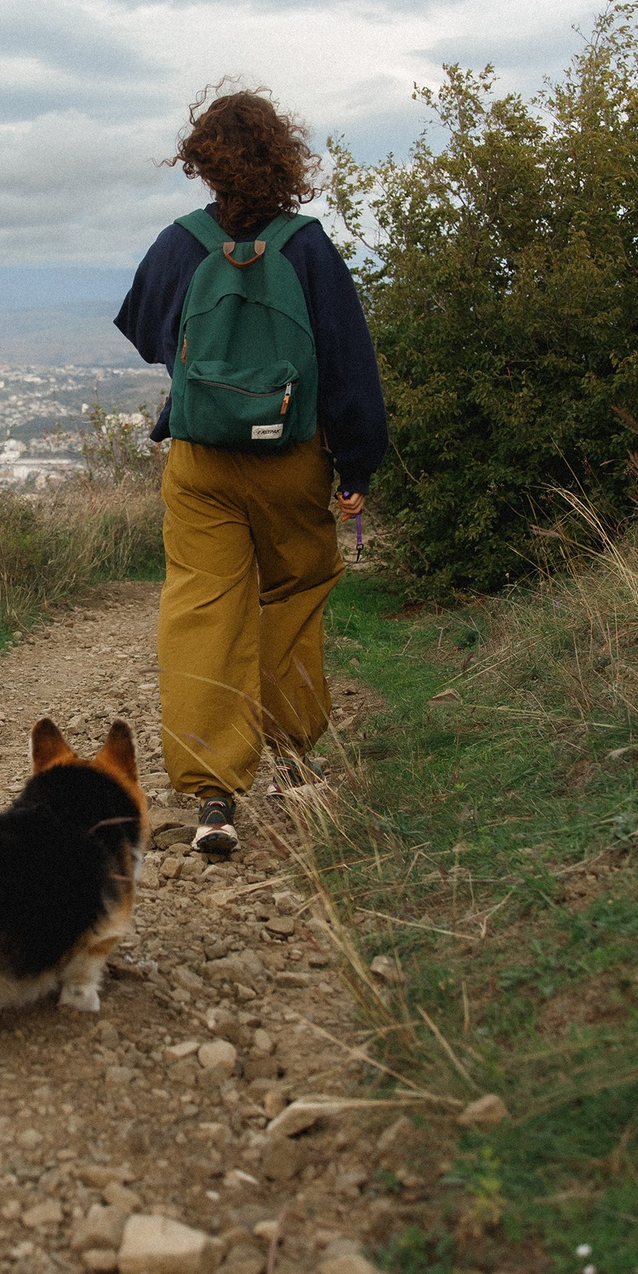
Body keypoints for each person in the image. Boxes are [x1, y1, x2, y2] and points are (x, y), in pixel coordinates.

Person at [113, 88, 387, 857]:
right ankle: (294, 764)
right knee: (292, 596)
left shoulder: (180, 244)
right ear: (283, 158)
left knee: (203, 608)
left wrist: (210, 374)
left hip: (201, 460)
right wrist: (357, 467)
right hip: (291, 457)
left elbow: (144, 329)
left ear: (202, 162)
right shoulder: (308, 248)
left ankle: (213, 798)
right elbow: (349, 368)